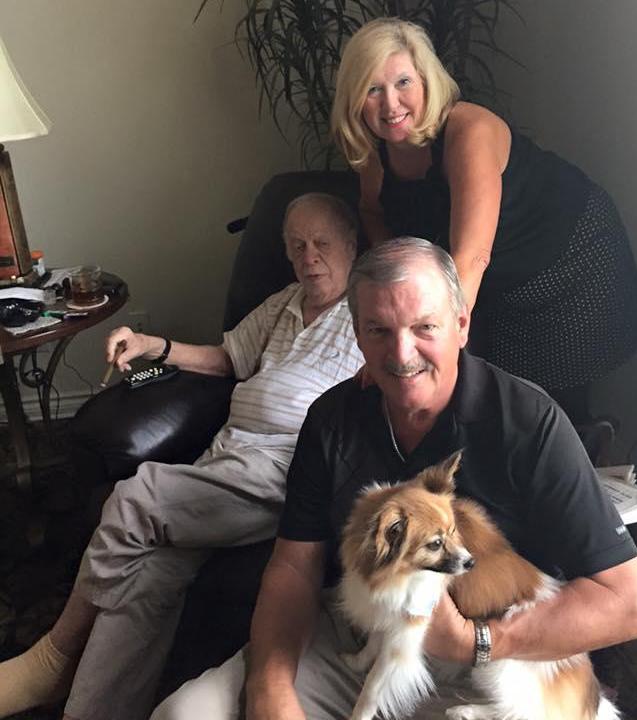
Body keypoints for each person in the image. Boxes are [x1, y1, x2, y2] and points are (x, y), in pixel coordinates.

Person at [151, 237, 637, 720]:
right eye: (379, 330)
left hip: (496, 664)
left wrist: (479, 642)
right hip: (364, 639)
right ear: (356, 334)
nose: (402, 353)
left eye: (424, 328)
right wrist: (270, 690)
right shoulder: (332, 418)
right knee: (186, 713)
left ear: (461, 324)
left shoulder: (529, 421)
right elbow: (294, 569)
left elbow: (627, 606)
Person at [0, 192, 365, 720]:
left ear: (352, 244)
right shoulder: (285, 302)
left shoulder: (366, 310)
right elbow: (227, 358)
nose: (309, 256)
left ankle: (53, 656)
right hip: (228, 457)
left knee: (136, 497)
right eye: (296, 245)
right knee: (148, 577)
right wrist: (155, 346)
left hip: (285, 467)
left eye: (323, 244)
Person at [330, 18, 637, 423]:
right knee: (495, 405)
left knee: (552, 412)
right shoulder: (376, 151)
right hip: (494, 280)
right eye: (373, 89)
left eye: (403, 83)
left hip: (569, 259)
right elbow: (372, 210)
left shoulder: (470, 132)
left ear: (427, 80)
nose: (390, 104)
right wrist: (395, 277)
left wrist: (415, 354)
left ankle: (589, 460)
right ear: (355, 98)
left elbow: (471, 257)